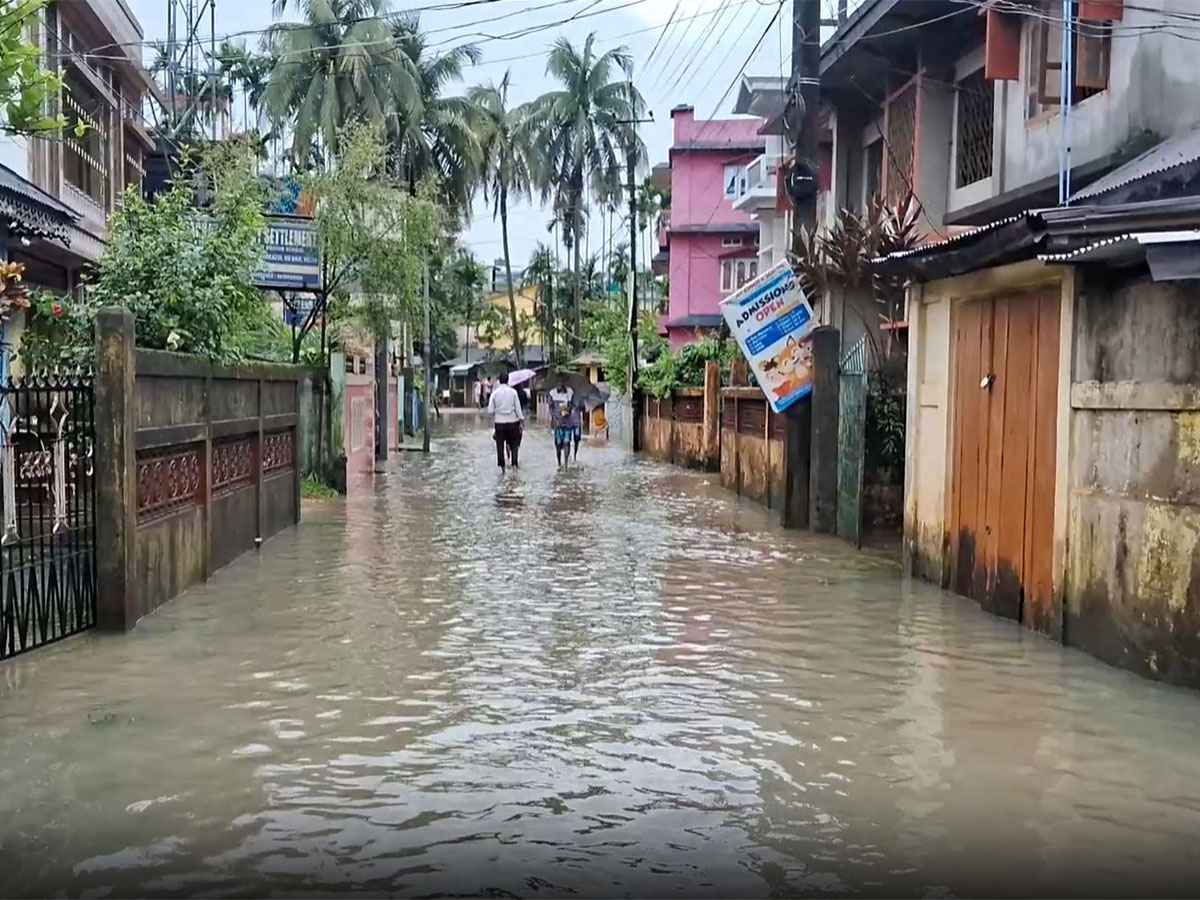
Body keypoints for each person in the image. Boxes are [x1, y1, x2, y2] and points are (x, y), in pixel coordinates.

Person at [486, 371, 523, 469]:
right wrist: (521, 420)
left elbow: (490, 410)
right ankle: (514, 465)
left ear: (499, 380)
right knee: (514, 444)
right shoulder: (513, 392)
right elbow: (518, 409)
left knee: (500, 445)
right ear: (508, 380)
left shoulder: (495, 393)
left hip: (499, 423)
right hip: (512, 422)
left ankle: (502, 467)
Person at [547, 374, 575, 467]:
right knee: (558, 443)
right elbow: (550, 407)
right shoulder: (552, 393)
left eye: (561, 382)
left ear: (564, 383)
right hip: (557, 423)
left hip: (567, 422)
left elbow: (571, 405)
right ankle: (559, 463)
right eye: (558, 382)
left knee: (567, 442)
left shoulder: (570, 392)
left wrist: (567, 410)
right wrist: (555, 419)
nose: (559, 384)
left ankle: (566, 464)